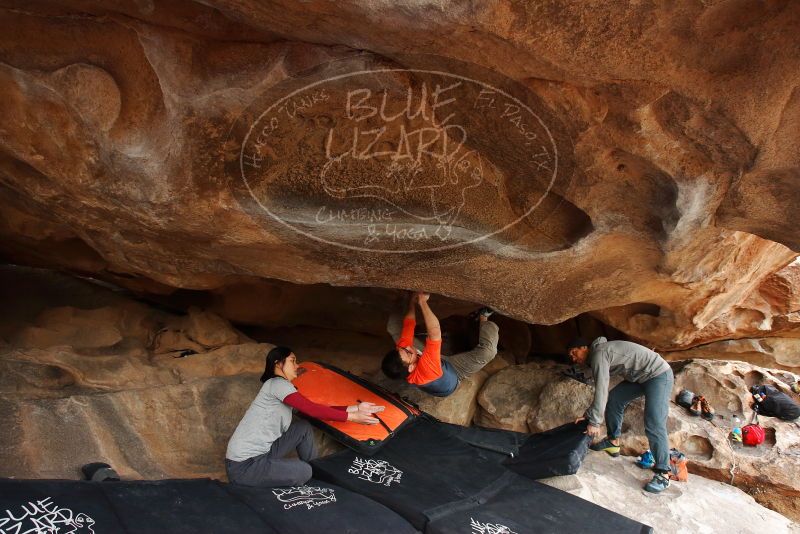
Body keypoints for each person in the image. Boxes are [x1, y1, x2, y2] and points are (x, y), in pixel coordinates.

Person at [226, 346, 384, 487]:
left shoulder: (283, 391)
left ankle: (316, 470)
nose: (297, 366)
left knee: (303, 428)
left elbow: (314, 409)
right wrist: (351, 417)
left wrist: (356, 407)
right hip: (244, 466)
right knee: (304, 471)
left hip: (263, 454)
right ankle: (309, 473)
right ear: (278, 363)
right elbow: (313, 410)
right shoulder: (277, 384)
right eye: (292, 361)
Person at [566, 336, 674, 494]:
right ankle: (613, 441)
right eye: (571, 357)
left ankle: (663, 473)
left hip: (658, 375)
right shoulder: (599, 353)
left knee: (654, 423)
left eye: (575, 353)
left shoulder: (599, 354)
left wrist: (594, 422)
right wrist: (589, 415)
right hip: (640, 378)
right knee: (615, 400)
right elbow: (603, 394)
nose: (574, 358)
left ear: (584, 347)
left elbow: (601, 389)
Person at [381, 291, 499, 397]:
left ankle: (403, 299)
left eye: (402, 349)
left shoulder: (403, 352)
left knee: (395, 328)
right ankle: (483, 317)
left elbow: (409, 323)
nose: (407, 347)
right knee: (488, 352)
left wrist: (412, 301)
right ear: (411, 367)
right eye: (408, 352)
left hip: (437, 364)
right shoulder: (426, 370)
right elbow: (435, 332)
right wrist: (422, 302)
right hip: (455, 371)